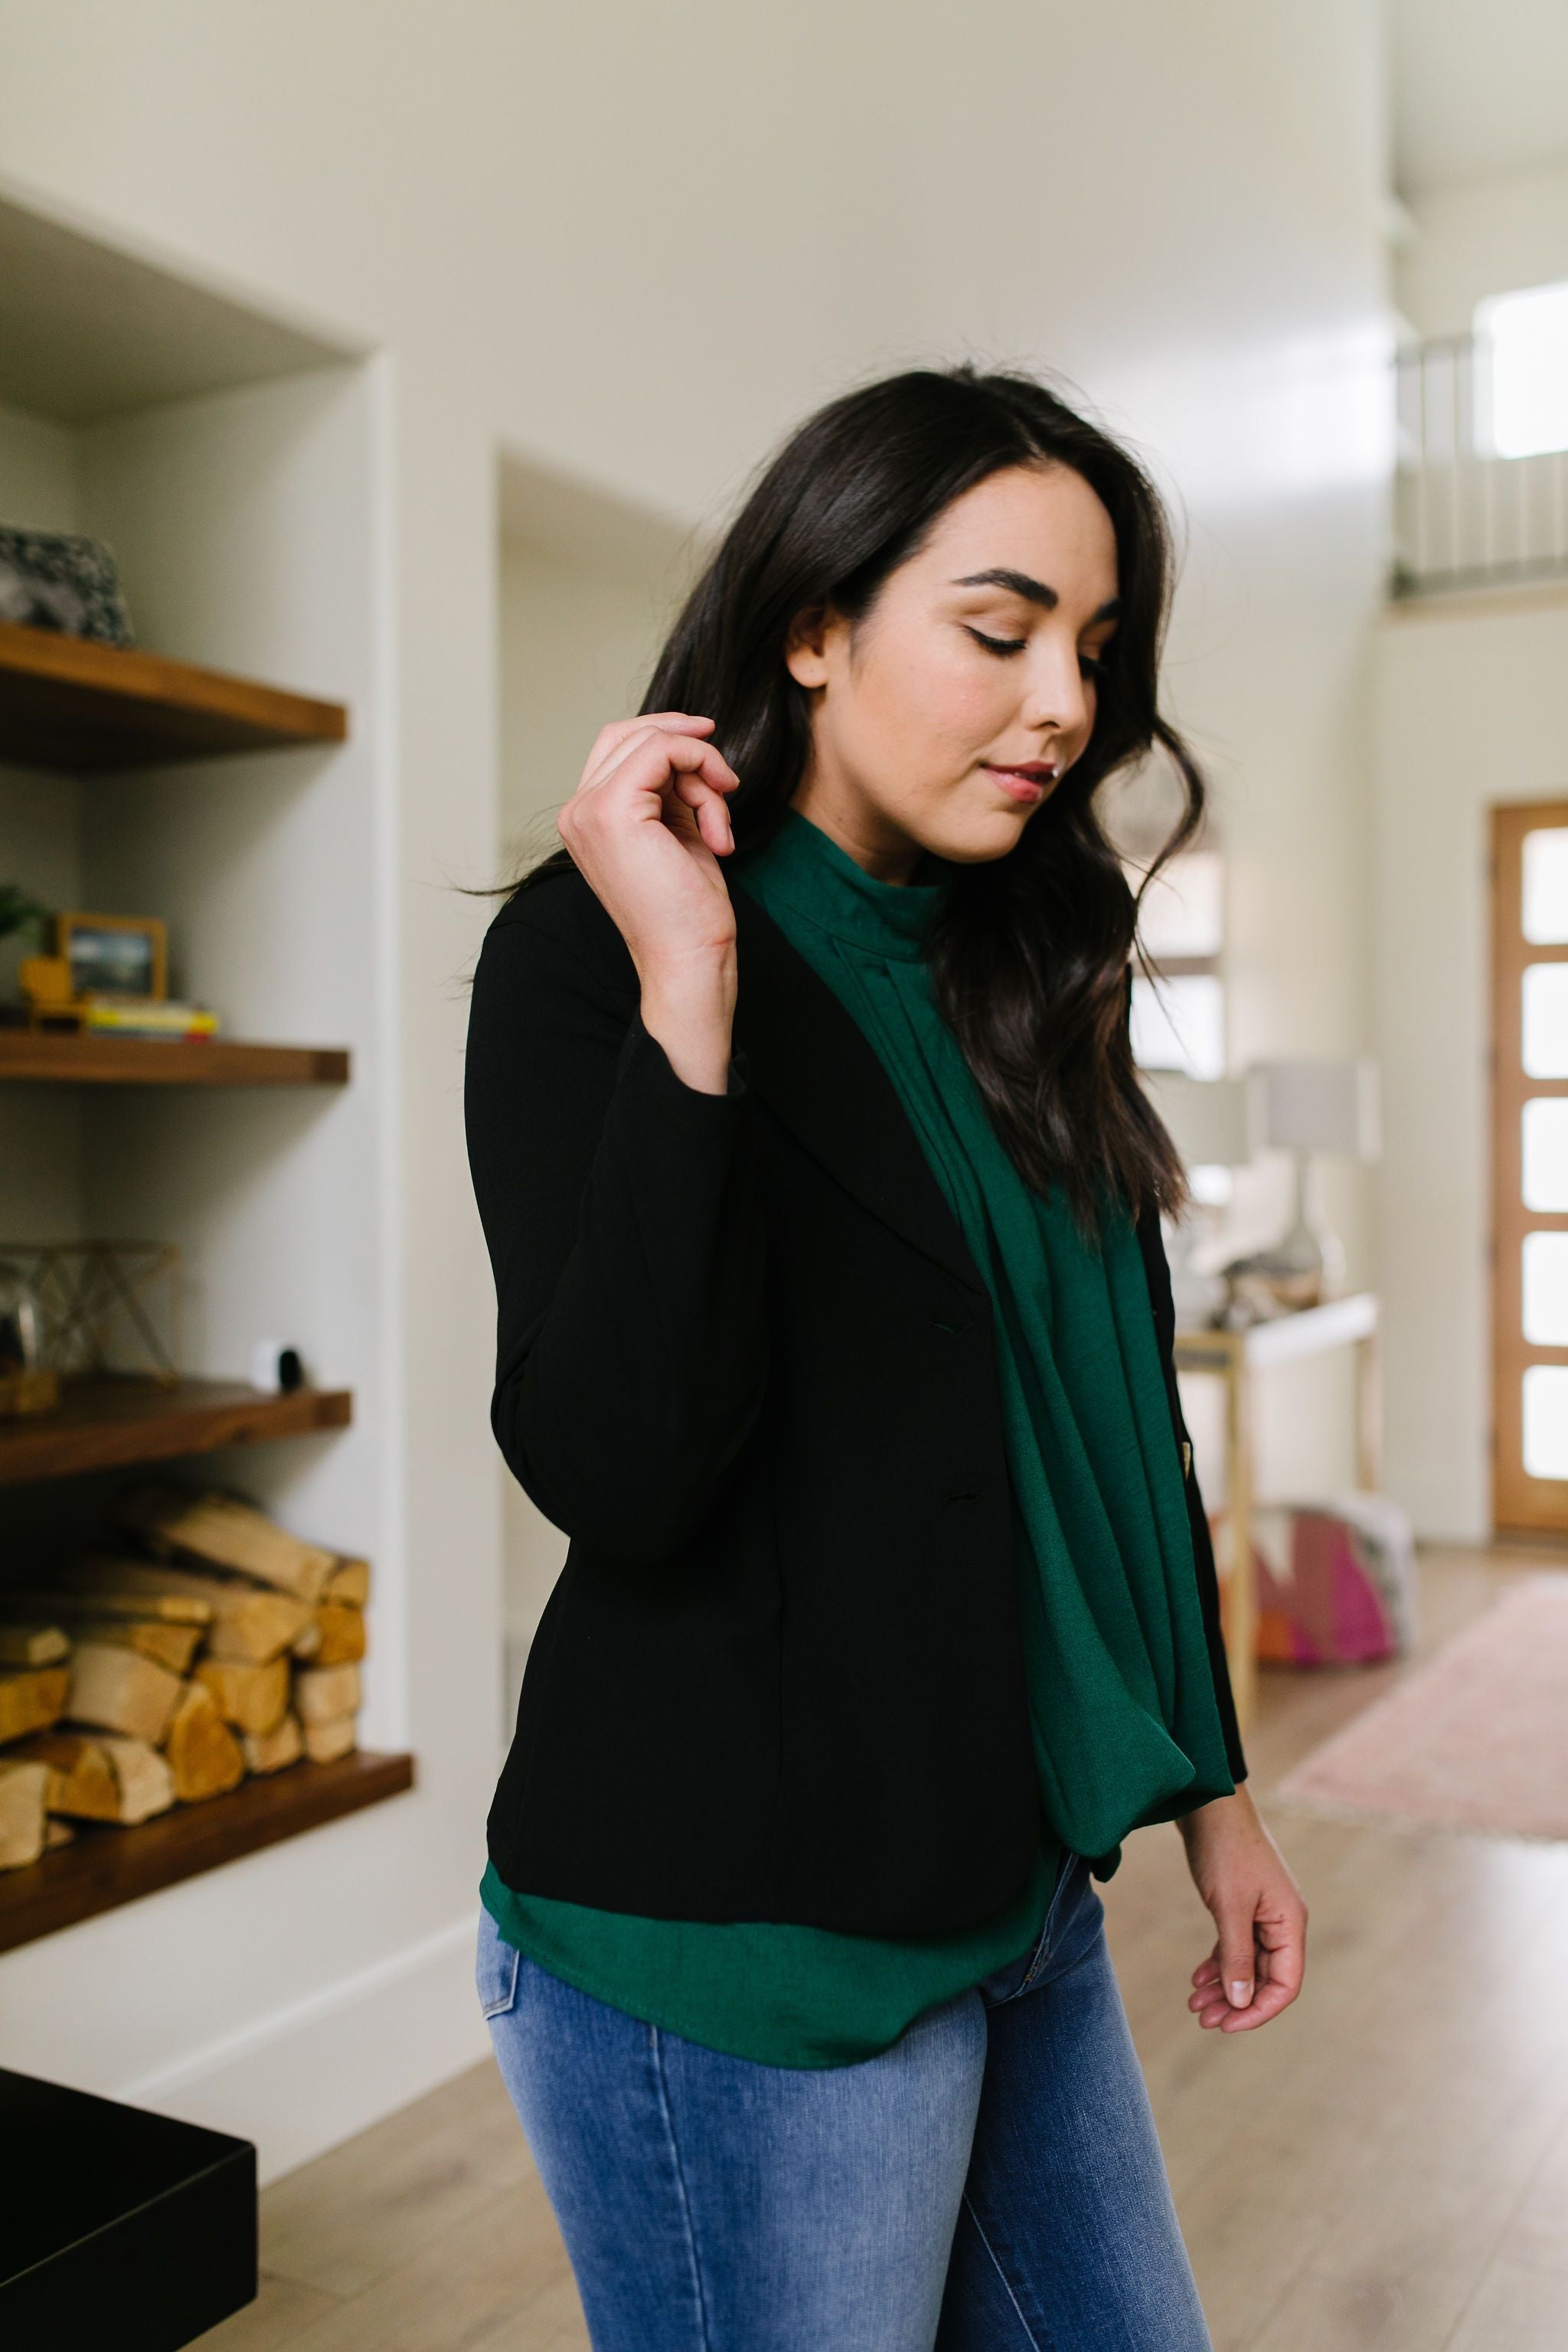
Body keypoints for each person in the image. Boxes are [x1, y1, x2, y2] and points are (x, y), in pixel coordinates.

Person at [463, 364, 1308, 2352]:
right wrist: (696, 989)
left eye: (1095, 652)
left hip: (1008, 1885)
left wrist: (1214, 1791)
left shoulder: (1032, 958)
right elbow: (623, 1465)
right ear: (814, 623)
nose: (1065, 705)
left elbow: (1103, 1406)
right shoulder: (590, 955)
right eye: (1002, 632)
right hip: (740, 1928)